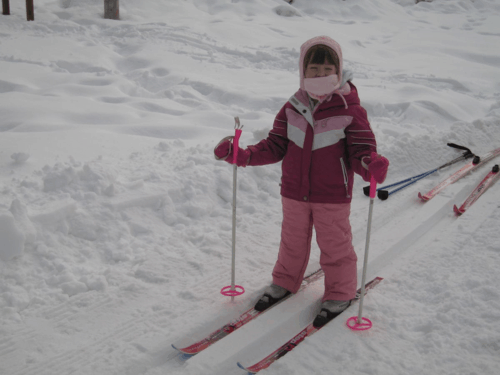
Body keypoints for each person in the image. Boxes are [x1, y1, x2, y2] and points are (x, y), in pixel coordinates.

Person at [214, 36, 389, 328]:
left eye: (327, 69)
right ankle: (284, 281)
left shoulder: (349, 109)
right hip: (294, 192)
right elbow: (274, 146)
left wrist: (371, 165)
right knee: (291, 242)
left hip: (331, 195)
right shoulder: (292, 107)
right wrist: (241, 155)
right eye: (314, 69)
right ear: (302, 71)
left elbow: (361, 152)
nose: (320, 75)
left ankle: (341, 292)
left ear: (338, 70)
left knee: (335, 246)